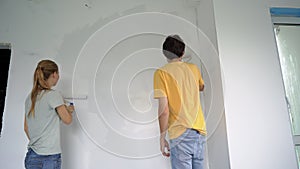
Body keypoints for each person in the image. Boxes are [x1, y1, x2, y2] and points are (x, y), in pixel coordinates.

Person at [153, 35, 206, 169]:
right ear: (182, 52)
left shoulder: (161, 73)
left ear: (165, 53)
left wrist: (161, 138)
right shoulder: (193, 68)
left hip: (179, 132)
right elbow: (201, 87)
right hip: (199, 131)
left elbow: (164, 111)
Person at [24, 59, 74, 169]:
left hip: (32, 156)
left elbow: (26, 128)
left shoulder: (30, 97)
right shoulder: (54, 95)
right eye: (58, 74)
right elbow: (68, 120)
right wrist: (69, 110)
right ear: (54, 74)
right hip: (50, 158)